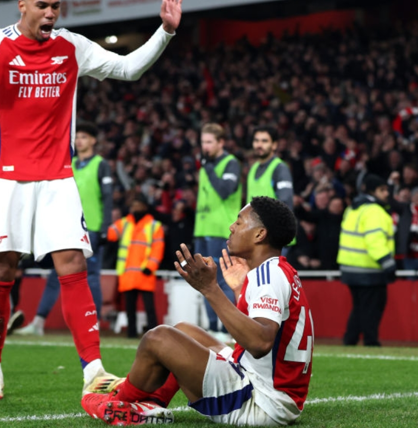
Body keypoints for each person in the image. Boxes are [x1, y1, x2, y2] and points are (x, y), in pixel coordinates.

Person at [0, 0, 182, 400]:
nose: (50, 13)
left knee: (72, 266)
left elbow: (128, 69)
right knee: (3, 272)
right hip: (7, 181)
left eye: (56, 7)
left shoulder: (72, 46)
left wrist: (165, 32)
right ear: (23, 5)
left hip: (57, 179)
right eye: (43, 5)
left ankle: (94, 370)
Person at [81, 196, 313, 426]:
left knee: (158, 338)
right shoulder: (279, 270)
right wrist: (239, 291)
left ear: (260, 235)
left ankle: (119, 403)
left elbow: (260, 343)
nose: (232, 227)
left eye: (240, 222)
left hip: (260, 401)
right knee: (184, 331)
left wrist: (210, 289)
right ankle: (151, 403)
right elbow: (257, 336)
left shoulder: (267, 276)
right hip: (275, 393)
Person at [16, 121, 114, 336]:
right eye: (77, 137)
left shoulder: (100, 164)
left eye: (84, 137)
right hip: (67, 226)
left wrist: (106, 227)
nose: (79, 140)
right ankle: (39, 323)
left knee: (92, 277)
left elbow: (107, 198)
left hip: (92, 228)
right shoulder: (69, 163)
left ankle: (92, 325)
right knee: (56, 274)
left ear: (93, 141)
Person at [194, 122, 241, 340]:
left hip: (221, 230)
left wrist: (209, 168)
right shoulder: (206, 165)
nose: (205, 146)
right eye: (203, 142)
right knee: (204, 279)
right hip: (202, 229)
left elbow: (224, 191)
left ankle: (227, 328)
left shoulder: (230, 164)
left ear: (221, 142)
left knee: (222, 279)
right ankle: (213, 328)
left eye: (209, 142)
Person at [337, 173, 395, 347]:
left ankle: (350, 339)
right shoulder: (375, 211)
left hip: (350, 268)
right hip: (369, 269)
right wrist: (387, 262)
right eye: (382, 190)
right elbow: (374, 240)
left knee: (360, 307)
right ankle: (370, 341)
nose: (386, 193)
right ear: (373, 191)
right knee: (373, 307)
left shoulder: (353, 208)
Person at [107, 194, 164, 338]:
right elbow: (110, 234)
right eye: (132, 205)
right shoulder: (125, 222)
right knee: (129, 308)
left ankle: (155, 336)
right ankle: (131, 334)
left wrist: (150, 266)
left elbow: (158, 249)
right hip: (128, 274)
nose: (133, 207)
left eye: (136, 204)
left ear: (145, 206)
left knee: (149, 308)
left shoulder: (153, 226)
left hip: (145, 273)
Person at [246, 126, 295, 256]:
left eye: (264, 141)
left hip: (274, 240)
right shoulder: (253, 168)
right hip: (257, 237)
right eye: (256, 141)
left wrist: (275, 236)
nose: (259, 145)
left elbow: (285, 203)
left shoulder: (280, 169)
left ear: (274, 145)